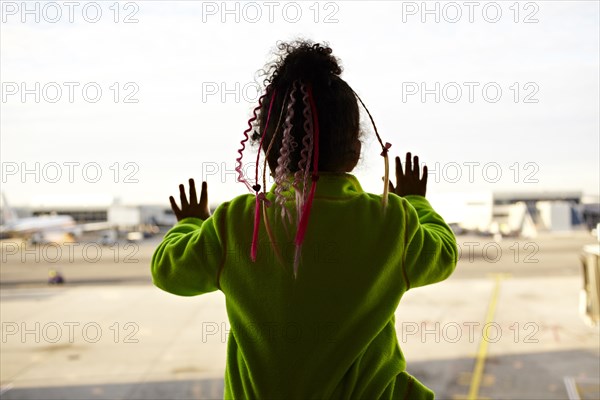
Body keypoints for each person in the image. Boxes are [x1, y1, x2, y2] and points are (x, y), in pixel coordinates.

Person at [151, 39, 458, 399]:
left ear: (267, 151)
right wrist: (417, 202)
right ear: (356, 152)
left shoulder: (238, 223)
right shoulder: (392, 220)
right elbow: (444, 255)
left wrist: (190, 223)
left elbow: (168, 272)